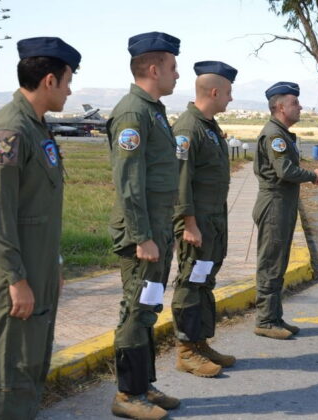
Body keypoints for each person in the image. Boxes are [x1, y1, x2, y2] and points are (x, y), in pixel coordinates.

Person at [0, 37, 80, 420]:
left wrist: (53, 262)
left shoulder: (38, 127)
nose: (70, 89)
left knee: (31, 359)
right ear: (48, 81)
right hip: (16, 272)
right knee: (9, 367)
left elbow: (39, 207)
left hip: (37, 266)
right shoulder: (9, 130)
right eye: (67, 80)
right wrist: (16, 278)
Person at [107, 32, 181, 420]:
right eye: (172, 67)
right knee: (136, 309)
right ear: (153, 69)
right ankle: (127, 394)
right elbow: (129, 182)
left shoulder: (153, 109)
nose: (177, 74)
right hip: (143, 235)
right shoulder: (133, 113)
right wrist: (142, 237)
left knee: (148, 307)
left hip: (157, 229)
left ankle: (144, 386)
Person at [171, 61, 238, 378]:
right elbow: (180, 181)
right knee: (190, 283)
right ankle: (186, 350)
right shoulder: (188, 128)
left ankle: (200, 343)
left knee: (203, 282)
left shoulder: (207, 125)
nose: (231, 99)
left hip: (213, 221)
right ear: (214, 91)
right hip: (196, 224)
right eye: (228, 92)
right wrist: (189, 224)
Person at [252, 81, 318, 340]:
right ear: (281, 107)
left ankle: (274, 316)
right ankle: (265, 319)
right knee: (271, 262)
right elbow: (285, 171)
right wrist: (312, 174)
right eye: (295, 103)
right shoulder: (275, 135)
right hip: (274, 204)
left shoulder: (281, 133)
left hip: (281, 204)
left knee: (278, 261)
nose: (300, 106)